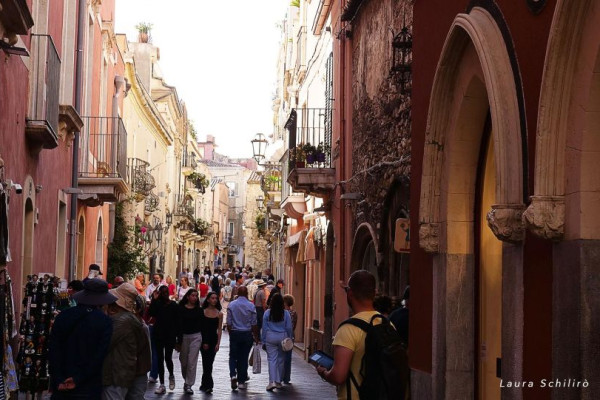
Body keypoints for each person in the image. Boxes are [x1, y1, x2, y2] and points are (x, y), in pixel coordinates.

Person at [316, 270, 381, 399]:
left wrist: (323, 373)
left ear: (350, 294)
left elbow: (338, 377)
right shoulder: (387, 324)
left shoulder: (349, 328)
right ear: (375, 293)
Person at [49, 278, 115, 399]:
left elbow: (54, 349)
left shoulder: (63, 316)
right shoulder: (104, 321)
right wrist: (78, 379)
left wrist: (58, 379)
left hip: (61, 383)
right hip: (87, 386)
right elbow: (99, 355)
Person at [102, 283, 149, 399]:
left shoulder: (122, 321)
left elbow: (105, 344)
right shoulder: (131, 319)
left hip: (117, 374)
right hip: (124, 372)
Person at [226, 286, 259, 391]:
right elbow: (254, 323)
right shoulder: (251, 305)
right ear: (247, 293)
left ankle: (233, 375)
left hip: (235, 333)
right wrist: (256, 336)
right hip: (247, 334)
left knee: (233, 356)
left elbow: (229, 322)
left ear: (238, 293)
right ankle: (241, 381)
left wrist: (231, 333)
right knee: (243, 357)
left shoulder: (232, 305)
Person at [149, 285, 180, 394]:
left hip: (170, 335)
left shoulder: (174, 305)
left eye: (166, 292)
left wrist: (178, 339)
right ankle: (162, 384)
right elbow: (151, 313)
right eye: (163, 292)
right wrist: (154, 299)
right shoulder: (157, 304)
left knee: (168, 358)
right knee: (160, 359)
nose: (165, 294)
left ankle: (171, 375)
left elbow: (178, 322)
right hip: (159, 334)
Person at [261, 293, 293, 391]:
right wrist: (289, 338)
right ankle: (278, 381)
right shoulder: (286, 313)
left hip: (270, 336)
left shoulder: (267, 313)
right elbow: (289, 327)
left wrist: (263, 340)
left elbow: (264, 328)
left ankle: (272, 382)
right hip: (282, 336)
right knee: (281, 359)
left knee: (272, 359)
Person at [176, 289, 204, 395]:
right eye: (193, 295)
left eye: (196, 296)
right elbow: (178, 325)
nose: (195, 297)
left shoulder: (199, 310)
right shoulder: (181, 309)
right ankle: (186, 379)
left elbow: (202, 325)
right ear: (188, 296)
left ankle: (189, 384)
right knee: (184, 362)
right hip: (183, 337)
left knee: (192, 361)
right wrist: (177, 341)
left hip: (196, 336)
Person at [200, 292, 223, 393]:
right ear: (208, 300)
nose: (214, 300)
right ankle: (209, 384)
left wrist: (218, 343)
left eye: (216, 298)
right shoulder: (203, 312)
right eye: (212, 298)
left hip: (213, 339)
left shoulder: (219, 314)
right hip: (204, 339)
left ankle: (205, 383)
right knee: (205, 362)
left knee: (210, 362)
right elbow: (201, 328)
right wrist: (204, 341)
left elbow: (219, 329)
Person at [283, 294, 298, 384]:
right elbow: (294, 325)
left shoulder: (282, 312)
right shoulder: (293, 313)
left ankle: (280, 376)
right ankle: (286, 377)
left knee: (281, 357)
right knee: (288, 357)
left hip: (283, 335)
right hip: (290, 336)